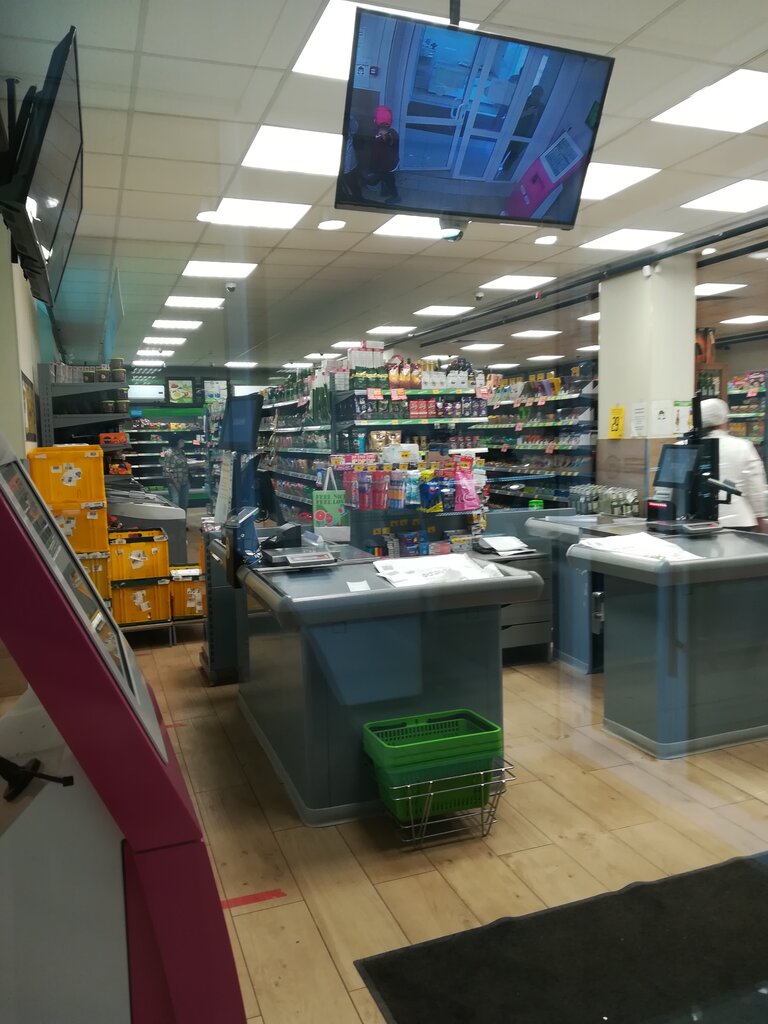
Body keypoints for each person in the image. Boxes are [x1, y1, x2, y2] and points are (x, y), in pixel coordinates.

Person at [700, 398, 768, 531]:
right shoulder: (742, 446)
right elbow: (755, 488)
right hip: (739, 522)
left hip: (696, 523)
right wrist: (760, 518)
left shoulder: (684, 447)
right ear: (724, 421)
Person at [365, 105, 400, 203]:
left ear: (375, 121)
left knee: (390, 181)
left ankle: (395, 196)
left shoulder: (377, 141)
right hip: (393, 164)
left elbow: (375, 157)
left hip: (385, 167)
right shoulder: (394, 133)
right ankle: (386, 191)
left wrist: (372, 168)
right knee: (388, 178)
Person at [162, 436, 190, 512]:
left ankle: (183, 519)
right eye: (181, 440)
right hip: (173, 483)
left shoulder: (182, 452)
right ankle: (176, 519)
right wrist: (176, 483)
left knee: (184, 504)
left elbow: (183, 465)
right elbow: (167, 470)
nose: (183, 442)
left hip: (184, 482)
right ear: (176, 442)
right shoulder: (169, 453)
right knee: (176, 503)